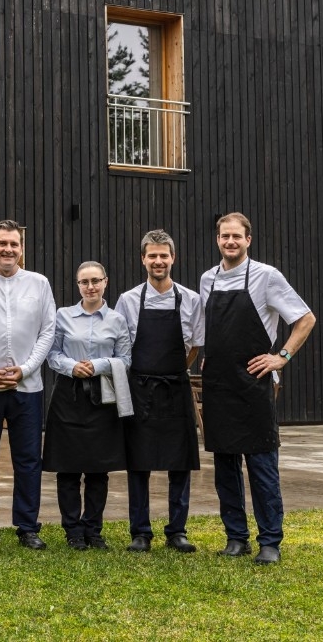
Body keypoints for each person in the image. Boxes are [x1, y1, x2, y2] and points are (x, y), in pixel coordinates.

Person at [195, 212, 316, 565]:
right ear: (217, 239)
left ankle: (270, 541)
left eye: (236, 236)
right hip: (219, 385)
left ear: (248, 240)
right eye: (224, 236)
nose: (230, 241)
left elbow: (305, 318)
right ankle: (236, 538)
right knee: (225, 468)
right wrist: (208, 357)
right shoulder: (207, 279)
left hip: (254, 384)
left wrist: (281, 357)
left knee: (262, 466)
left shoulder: (267, 276)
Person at [0, 220, 57, 550]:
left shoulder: (39, 284)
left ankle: (28, 527)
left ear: (21, 248)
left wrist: (27, 369)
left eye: (14, 244)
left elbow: (48, 331)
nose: (8, 249)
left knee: (28, 459)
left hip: (27, 387)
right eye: (2, 243)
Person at [113, 229, 202, 553]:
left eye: (163, 255)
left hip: (176, 387)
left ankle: (177, 531)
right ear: (143, 259)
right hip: (140, 389)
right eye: (152, 255)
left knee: (180, 463)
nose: (158, 261)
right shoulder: (128, 300)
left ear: (173, 258)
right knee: (139, 464)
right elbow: (122, 346)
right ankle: (140, 532)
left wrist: (174, 369)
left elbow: (195, 345)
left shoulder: (191, 299)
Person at [42, 261, 132, 550]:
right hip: (68, 396)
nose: (90, 287)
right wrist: (71, 366)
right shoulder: (63, 315)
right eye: (84, 282)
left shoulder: (117, 320)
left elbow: (126, 360)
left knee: (98, 469)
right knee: (67, 468)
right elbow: (52, 353)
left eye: (95, 281)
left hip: (103, 398)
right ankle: (73, 531)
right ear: (78, 285)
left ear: (105, 282)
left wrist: (98, 365)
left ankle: (93, 530)